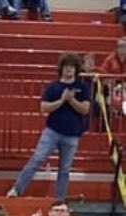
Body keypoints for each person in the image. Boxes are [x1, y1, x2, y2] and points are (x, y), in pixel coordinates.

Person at [6, 54, 91, 202]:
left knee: (64, 169)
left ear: (76, 69)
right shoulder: (53, 87)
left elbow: (85, 109)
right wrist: (62, 100)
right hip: (52, 131)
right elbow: (44, 107)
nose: (69, 69)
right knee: (37, 159)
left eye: (72, 67)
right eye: (66, 66)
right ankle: (16, 190)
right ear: (61, 68)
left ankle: (60, 200)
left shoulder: (82, 87)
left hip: (72, 134)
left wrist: (71, 99)